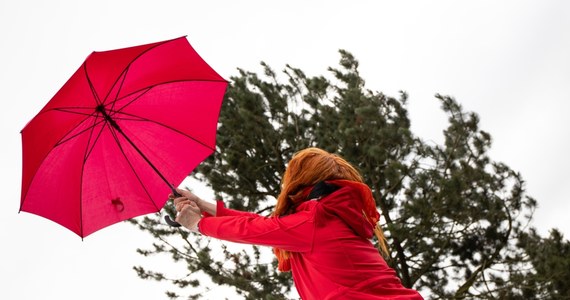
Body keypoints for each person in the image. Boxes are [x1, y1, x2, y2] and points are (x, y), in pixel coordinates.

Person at [171, 147, 423, 299]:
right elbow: (262, 223)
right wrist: (202, 204)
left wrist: (197, 224)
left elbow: (253, 229)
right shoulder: (329, 214)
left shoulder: (315, 219)